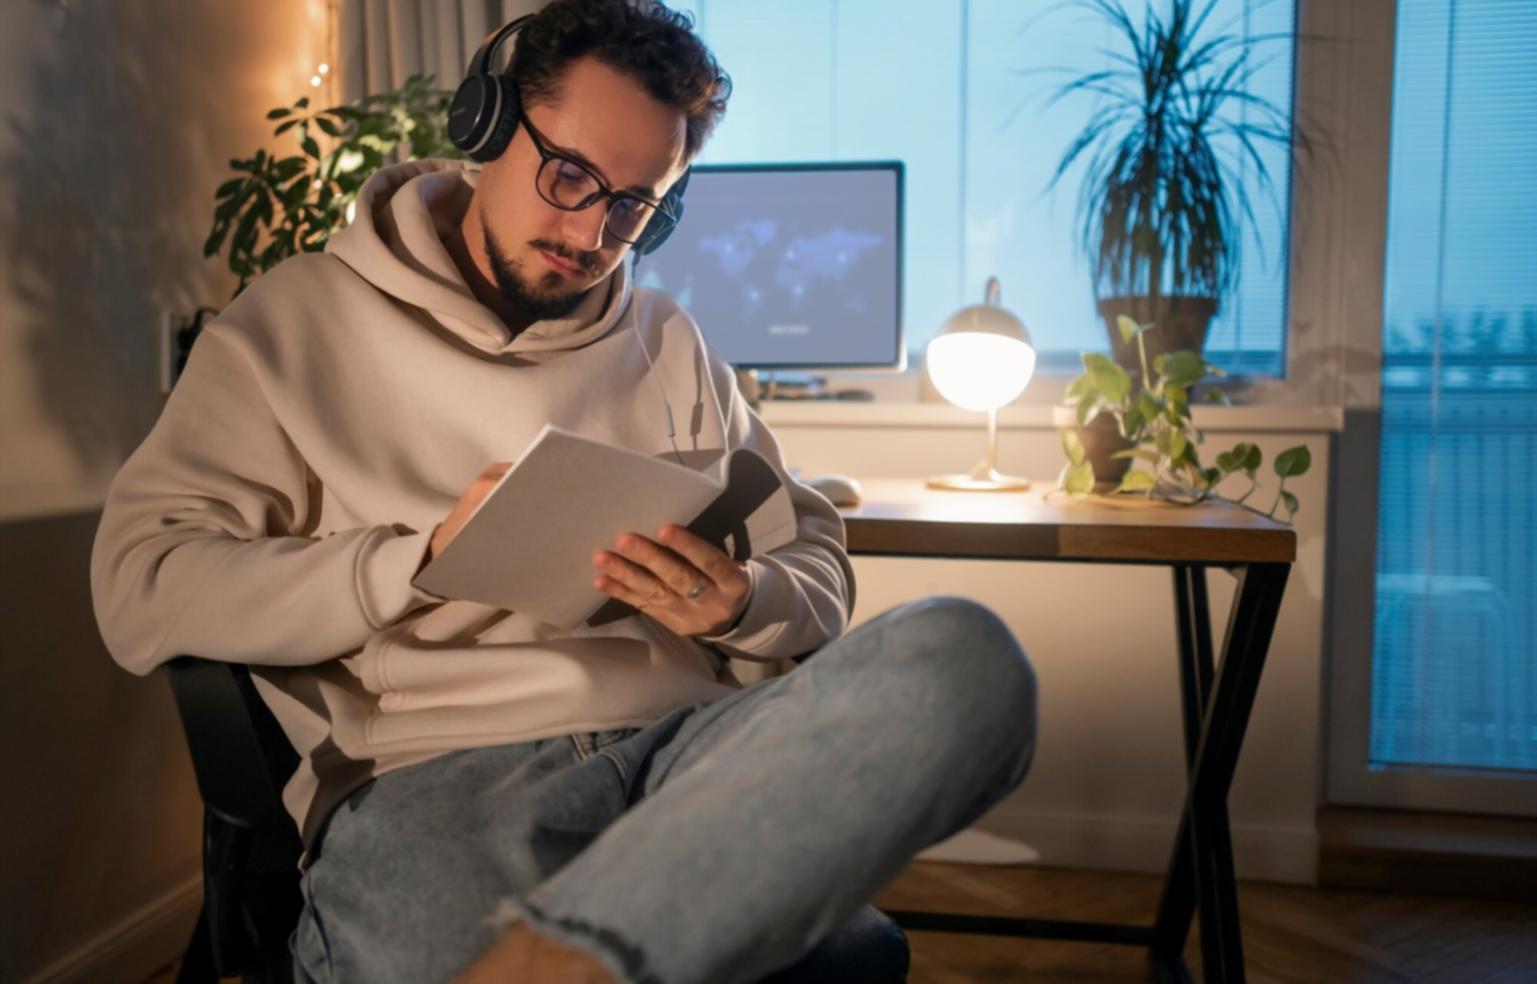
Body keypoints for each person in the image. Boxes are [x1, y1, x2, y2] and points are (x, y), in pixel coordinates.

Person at [89, 2, 1038, 981]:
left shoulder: (668, 339)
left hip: (690, 754)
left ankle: (567, 954)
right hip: (440, 778)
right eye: (572, 175)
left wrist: (742, 602)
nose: (594, 231)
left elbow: (809, 548)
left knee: (964, 655)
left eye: (636, 206)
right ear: (485, 126)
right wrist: (409, 562)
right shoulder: (288, 327)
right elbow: (139, 582)